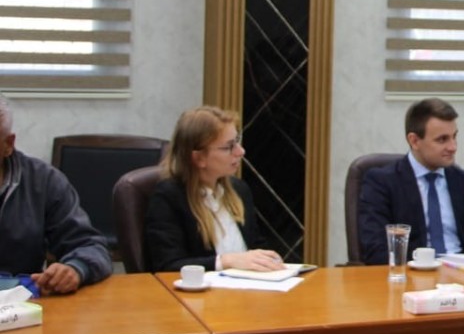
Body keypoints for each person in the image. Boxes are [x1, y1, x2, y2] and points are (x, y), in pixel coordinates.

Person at [357, 97, 464, 264]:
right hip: (413, 273)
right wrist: (429, 267)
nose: (453, 147)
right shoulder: (381, 183)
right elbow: (376, 251)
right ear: (414, 141)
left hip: (462, 275)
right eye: (442, 139)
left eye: (454, 137)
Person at [144, 105, 284, 273]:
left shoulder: (239, 189)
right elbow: (168, 266)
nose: (240, 151)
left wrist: (270, 259)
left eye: (237, 141)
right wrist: (226, 261)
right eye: (228, 147)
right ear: (198, 158)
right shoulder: (169, 197)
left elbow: (255, 245)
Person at [0, 93, 112, 294]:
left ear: (8, 144)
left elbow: (89, 245)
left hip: (21, 303)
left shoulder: (42, 180)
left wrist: (75, 269)